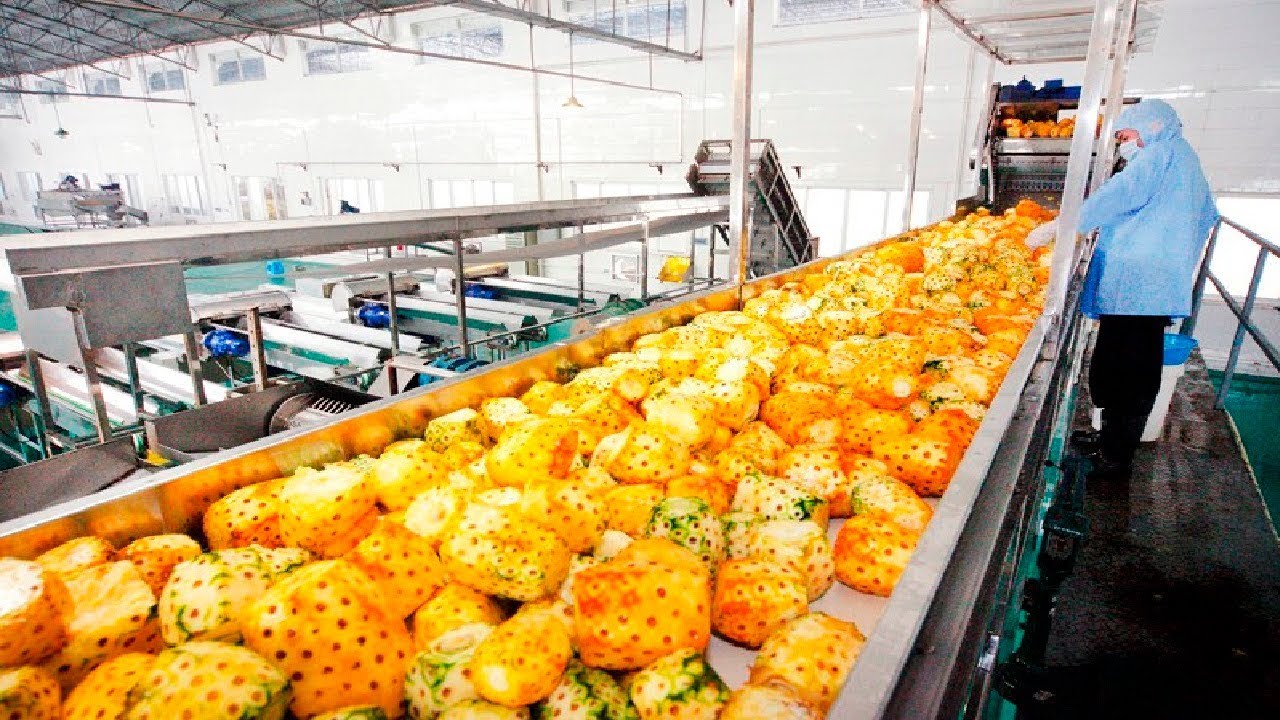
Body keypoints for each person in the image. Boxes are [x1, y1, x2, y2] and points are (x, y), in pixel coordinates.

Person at [1028, 99, 1217, 479]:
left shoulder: (1159, 155)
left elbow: (1116, 196)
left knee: (1130, 372)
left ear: (1152, 127)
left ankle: (1116, 456)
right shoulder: (1182, 159)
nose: (1125, 145)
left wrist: (1061, 227)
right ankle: (1108, 439)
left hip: (1141, 284)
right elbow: (1205, 216)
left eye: (1127, 136)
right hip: (1149, 282)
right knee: (1117, 363)